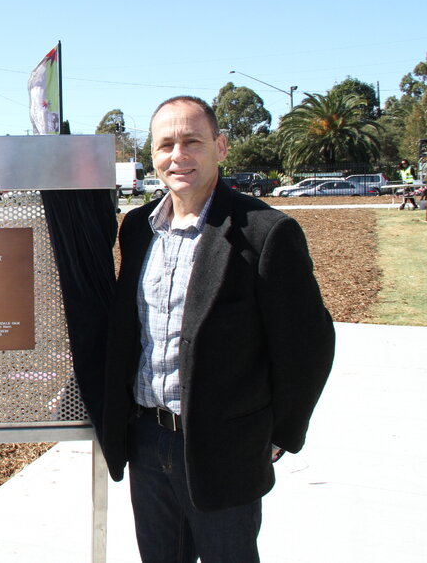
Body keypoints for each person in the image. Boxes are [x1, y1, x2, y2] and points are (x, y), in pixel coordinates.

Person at [96, 96, 335, 562]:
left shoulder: (265, 232)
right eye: (165, 145)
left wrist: (281, 433)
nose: (177, 156)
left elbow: (308, 345)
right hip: (148, 441)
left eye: (192, 142)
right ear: (152, 154)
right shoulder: (139, 227)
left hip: (225, 448)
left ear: (221, 147)